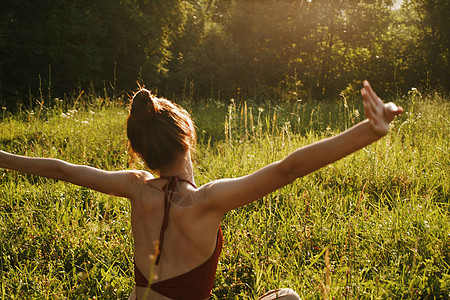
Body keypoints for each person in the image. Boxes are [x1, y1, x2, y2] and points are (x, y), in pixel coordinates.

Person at [0, 81, 403, 300]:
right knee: (288, 298)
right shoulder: (206, 201)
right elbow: (289, 168)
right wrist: (368, 131)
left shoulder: (134, 187)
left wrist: (2, 157)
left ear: (140, 152)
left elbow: (63, 170)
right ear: (188, 136)